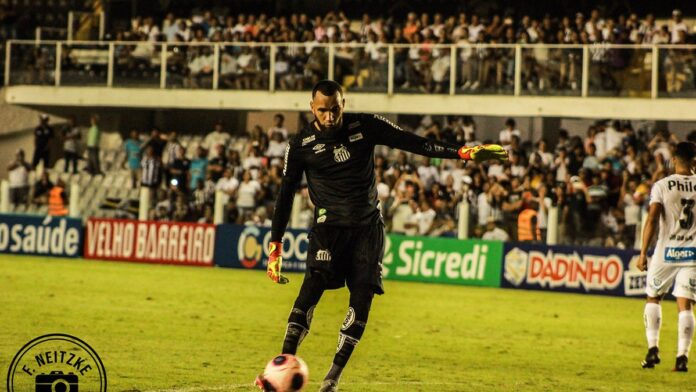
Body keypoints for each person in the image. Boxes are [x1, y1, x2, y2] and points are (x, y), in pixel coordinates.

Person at [255, 80, 507, 392]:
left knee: (362, 296)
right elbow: (285, 194)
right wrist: (275, 245)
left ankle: (330, 382)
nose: (330, 116)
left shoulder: (366, 125)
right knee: (312, 286)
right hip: (328, 229)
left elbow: (414, 142)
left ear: (343, 104)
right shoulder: (301, 144)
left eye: (335, 109)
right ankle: (279, 371)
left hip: (367, 229)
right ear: (312, 108)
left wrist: (463, 153)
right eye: (323, 110)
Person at [638, 141, 696, 372]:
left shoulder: (662, 185)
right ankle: (682, 356)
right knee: (685, 305)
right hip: (693, 253)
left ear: (673, 159)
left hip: (666, 252)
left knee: (653, 297)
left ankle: (653, 349)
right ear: (694, 161)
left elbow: (652, 218)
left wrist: (643, 253)